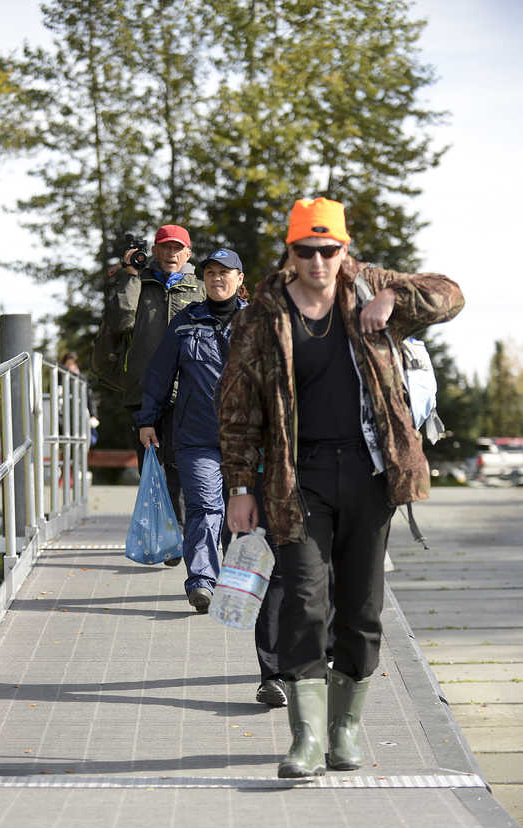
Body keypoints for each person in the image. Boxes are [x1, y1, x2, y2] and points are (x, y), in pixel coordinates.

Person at [219, 197, 464, 776]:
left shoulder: (368, 288)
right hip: (295, 478)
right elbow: (235, 407)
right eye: (306, 250)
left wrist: (393, 297)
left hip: (369, 474)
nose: (319, 261)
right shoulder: (263, 314)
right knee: (305, 598)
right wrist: (239, 487)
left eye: (329, 250)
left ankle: (345, 728)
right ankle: (305, 738)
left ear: (343, 250)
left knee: (362, 606)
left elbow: (450, 293)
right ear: (291, 252)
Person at [136, 249, 246, 610]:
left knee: (240, 512)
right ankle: (201, 582)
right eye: (210, 273)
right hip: (196, 437)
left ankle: (237, 577)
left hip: (247, 438)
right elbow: (160, 374)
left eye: (224, 272)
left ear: (239, 279)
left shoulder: (258, 323)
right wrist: (147, 420)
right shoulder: (184, 322)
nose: (216, 278)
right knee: (203, 507)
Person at [104, 224, 205, 562]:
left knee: (179, 466)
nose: (171, 254)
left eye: (178, 248)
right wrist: (130, 274)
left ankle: (175, 535)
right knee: (153, 467)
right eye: (165, 247)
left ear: (188, 254)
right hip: (143, 393)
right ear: (156, 251)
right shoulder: (138, 284)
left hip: (186, 393)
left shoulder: (200, 290)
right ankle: (164, 534)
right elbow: (120, 322)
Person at [59, 351, 99, 447]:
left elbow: (89, 398)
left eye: (72, 364)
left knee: (83, 441)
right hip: (63, 416)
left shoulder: (81, 379)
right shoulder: (58, 377)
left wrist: (94, 416)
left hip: (79, 415)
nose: (70, 367)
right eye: (67, 364)